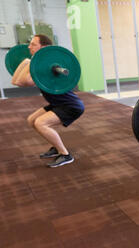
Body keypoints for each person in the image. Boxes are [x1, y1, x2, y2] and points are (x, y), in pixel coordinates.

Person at [11, 34, 84, 168]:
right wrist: (27, 62)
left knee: (41, 123)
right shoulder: (39, 67)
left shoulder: (47, 70)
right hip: (58, 104)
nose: (29, 47)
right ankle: (56, 147)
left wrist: (31, 62)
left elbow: (23, 82)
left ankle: (65, 155)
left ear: (43, 47)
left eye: (33, 44)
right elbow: (15, 81)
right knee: (31, 120)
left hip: (71, 105)